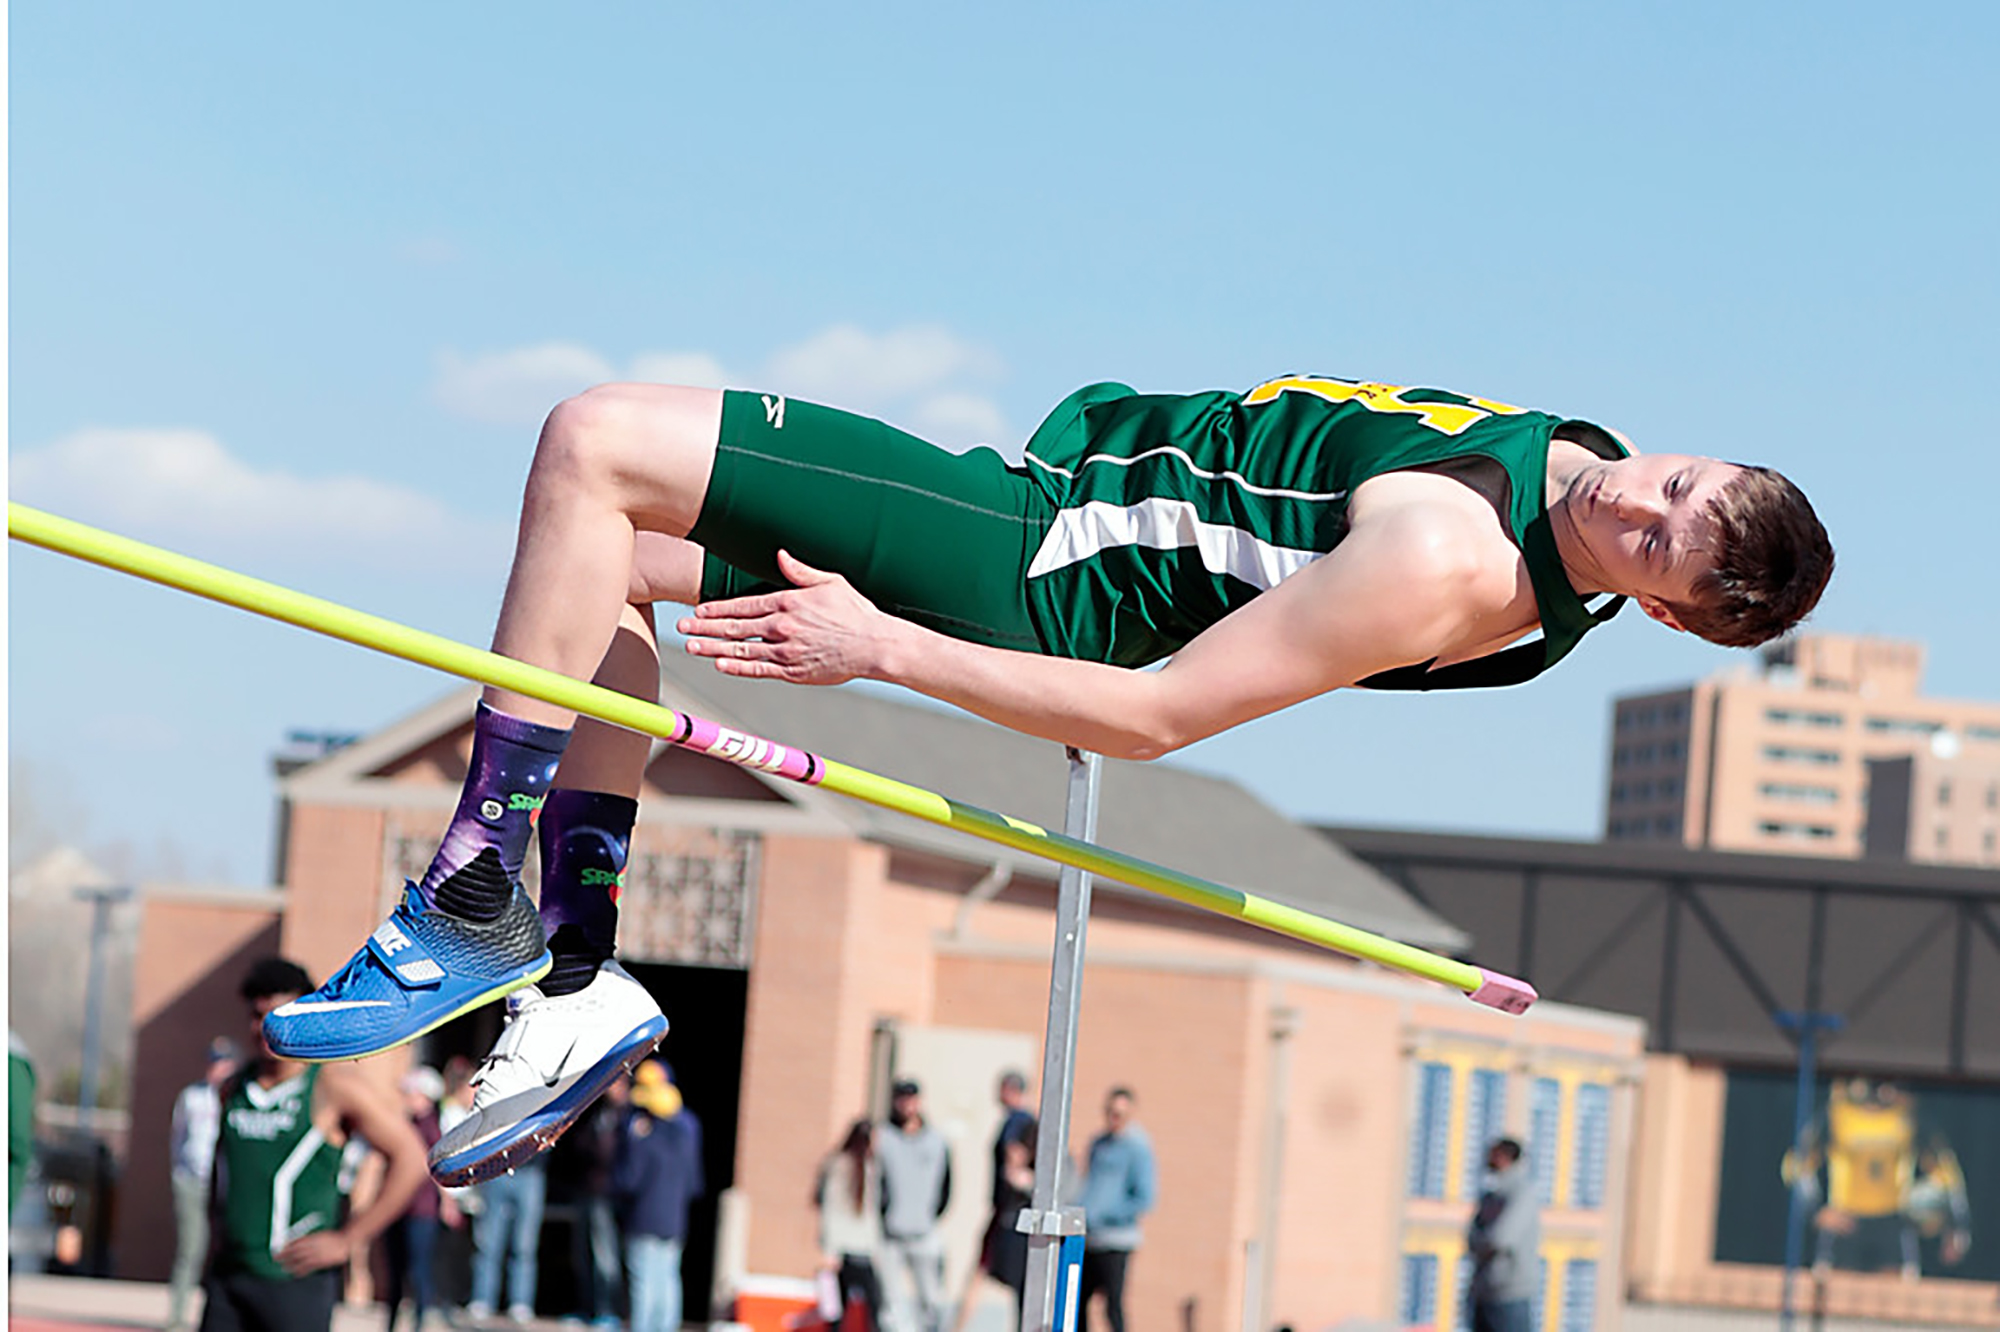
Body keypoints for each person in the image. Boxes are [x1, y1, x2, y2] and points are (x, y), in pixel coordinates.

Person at [264, 374, 1836, 1181]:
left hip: (1029, 555)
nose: (1637, 496)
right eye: (1676, 482)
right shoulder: (1583, 476)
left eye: (1656, 540)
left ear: (1669, 614)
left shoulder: (1445, 562)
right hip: (1049, 500)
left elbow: (1151, 718)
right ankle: (582, 975)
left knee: (593, 436)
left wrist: (880, 649)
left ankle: (475, 894)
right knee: (592, 550)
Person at [200, 958, 426, 1332]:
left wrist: (349, 1238)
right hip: (231, 1276)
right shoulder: (233, 1088)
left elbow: (411, 1158)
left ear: (306, 1014)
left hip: (296, 1280)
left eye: (279, 1014)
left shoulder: (332, 1086)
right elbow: (222, 1167)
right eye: (257, 1016)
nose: (266, 1027)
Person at [613, 1059, 706, 1332]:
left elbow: (629, 1179)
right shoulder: (688, 1132)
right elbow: (694, 1183)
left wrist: (633, 1142)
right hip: (674, 1219)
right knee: (667, 1278)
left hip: (643, 1217)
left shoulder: (644, 1133)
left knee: (644, 1280)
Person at [168, 1037, 240, 1332]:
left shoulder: (238, 1095)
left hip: (225, 1183)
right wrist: (177, 1174)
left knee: (225, 1251)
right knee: (190, 1249)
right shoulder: (191, 1096)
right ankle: (177, 1318)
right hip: (192, 1181)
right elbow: (177, 1138)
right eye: (213, 1061)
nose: (216, 1068)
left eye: (222, 1061)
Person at [379, 1066, 455, 1331]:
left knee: (419, 1271)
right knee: (395, 1273)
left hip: (422, 1210)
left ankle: (420, 1324)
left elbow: (440, 1170)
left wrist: (447, 1203)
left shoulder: (433, 1128)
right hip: (397, 1209)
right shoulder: (403, 1125)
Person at [875, 1079, 952, 1332]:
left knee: (930, 1300)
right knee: (891, 1303)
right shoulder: (883, 1138)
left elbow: (946, 1185)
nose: (906, 1104)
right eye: (901, 1099)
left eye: (911, 1099)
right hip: (891, 1234)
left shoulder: (936, 1141)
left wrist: (931, 1215)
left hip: (924, 1232)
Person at [1077, 1088, 1155, 1332]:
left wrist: (1107, 1214)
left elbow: (1145, 1198)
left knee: (1112, 1305)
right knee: (1078, 1301)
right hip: (1091, 1238)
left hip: (1117, 1240)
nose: (1114, 1118)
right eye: (1110, 1112)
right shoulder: (1098, 1143)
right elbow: (1089, 1184)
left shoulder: (1138, 1148)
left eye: (1120, 1114)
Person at [814, 1119, 885, 1332]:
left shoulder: (872, 1167)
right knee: (837, 1309)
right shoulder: (839, 1165)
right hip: (842, 1248)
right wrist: (830, 1248)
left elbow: (872, 1214)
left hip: (863, 1246)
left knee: (874, 1305)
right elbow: (831, 1208)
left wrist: (875, 1245)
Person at [1465, 1138, 1541, 1332]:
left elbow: (1501, 1238)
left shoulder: (1522, 1193)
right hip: (1483, 1293)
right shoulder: (1490, 1195)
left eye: (1494, 1154)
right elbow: (1471, 1237)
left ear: (1506, 1157)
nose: (1488, 1159)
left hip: (1510, 1294)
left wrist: (1484, 1241)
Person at [466, 1147, 546, 1323]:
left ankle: (521, 1302)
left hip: (531, 1172)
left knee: (525, 1246)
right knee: (488, 1243)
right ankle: (483, 1299)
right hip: (497, 1170)